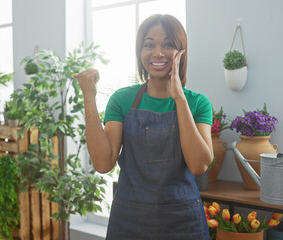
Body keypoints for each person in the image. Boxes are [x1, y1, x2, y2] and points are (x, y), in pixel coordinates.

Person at [73, 14, 213, 240]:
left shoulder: (198, 103)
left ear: (181, 52)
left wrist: (179, 98)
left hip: (183, 222)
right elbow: (102, 163)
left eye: (168, 44)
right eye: (149, 44)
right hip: (129, 220)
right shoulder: (122, 100)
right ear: (140, 52)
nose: (158, 52)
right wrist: (89, 97)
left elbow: (199, 165)